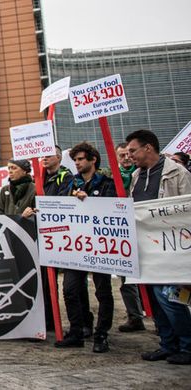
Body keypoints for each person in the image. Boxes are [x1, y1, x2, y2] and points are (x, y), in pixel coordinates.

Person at [126, 129, 191, 365]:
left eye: (133, 150)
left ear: (148, 148)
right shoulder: (136, 176)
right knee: (154, 300)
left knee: (171, 298)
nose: (129, 155)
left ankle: (187, 344)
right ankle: (168, 344)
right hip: (148, 251)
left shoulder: (176, 173)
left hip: (173, 250)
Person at [54, 142, 116, 353]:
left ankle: (101, 334)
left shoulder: (108, 183)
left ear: (93, 160)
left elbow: (114, 209)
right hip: (76, 247)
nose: (78, 163)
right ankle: (77, 331)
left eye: (81, 159)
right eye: (76, 160)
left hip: (100, 247)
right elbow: (60, 206)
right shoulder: (72, 184)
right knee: (70, 289)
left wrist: (88, 201)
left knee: (103, 291)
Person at [115, 142, 146, 333]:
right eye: (122, 155)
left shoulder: (142, 173)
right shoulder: (113, 177)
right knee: (126, 278)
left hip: (144, 230)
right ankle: (135, 316)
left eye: (129, 154)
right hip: (123, 232)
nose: (126, 158)